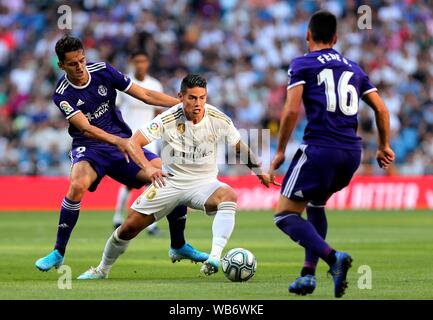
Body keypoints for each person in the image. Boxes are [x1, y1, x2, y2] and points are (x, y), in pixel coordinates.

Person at [77, 74, 278, 280]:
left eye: (202, 98)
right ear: (180, 96)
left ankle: (215, 258)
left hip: (204, 184)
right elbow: (133, 143)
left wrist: (259, 171)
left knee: (229, 196)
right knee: (127, 229)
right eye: (192, 98)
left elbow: (239, 147)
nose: (197, 103)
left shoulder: (218, 118)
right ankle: (101, 269)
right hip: (170, 183)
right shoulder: (167, 119)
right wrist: (148, 168)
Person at [35, 35, 208, 272]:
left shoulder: (103, 71)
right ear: (61, 65)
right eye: (73, 64)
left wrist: (182, 105)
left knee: (170, 179)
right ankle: (58, 252)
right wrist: (119, 141)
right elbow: (85, 127)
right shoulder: (62, 93)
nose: (80, 67)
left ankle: (178, 245)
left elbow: (145, 95)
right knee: (77, 186)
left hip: (122, 143)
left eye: (82, 60)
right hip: (90, 147)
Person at [269, 11, 395, 298]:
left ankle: (333, 257)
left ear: (307, 35)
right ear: (336, 38)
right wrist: (384, 146)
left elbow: (290, 110)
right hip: (351, 153)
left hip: (319, 150)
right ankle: (307, 276)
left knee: (284, 215)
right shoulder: (354, 67)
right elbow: (382, 109)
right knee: (316, 206)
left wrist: (279, 151)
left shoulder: (302, 63)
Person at [113, 50, 164, 235]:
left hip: (149, 139)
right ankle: (118, 218)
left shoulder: (155, 84)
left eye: (143, 61)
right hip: (129, 138)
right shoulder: (124, 83)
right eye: (137, 61)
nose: (140, 65)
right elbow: (115, 108)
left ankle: (150, 224)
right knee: (129, 181)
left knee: (156, 178)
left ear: (148, 63)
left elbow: (159, 113)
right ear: (132, 62)